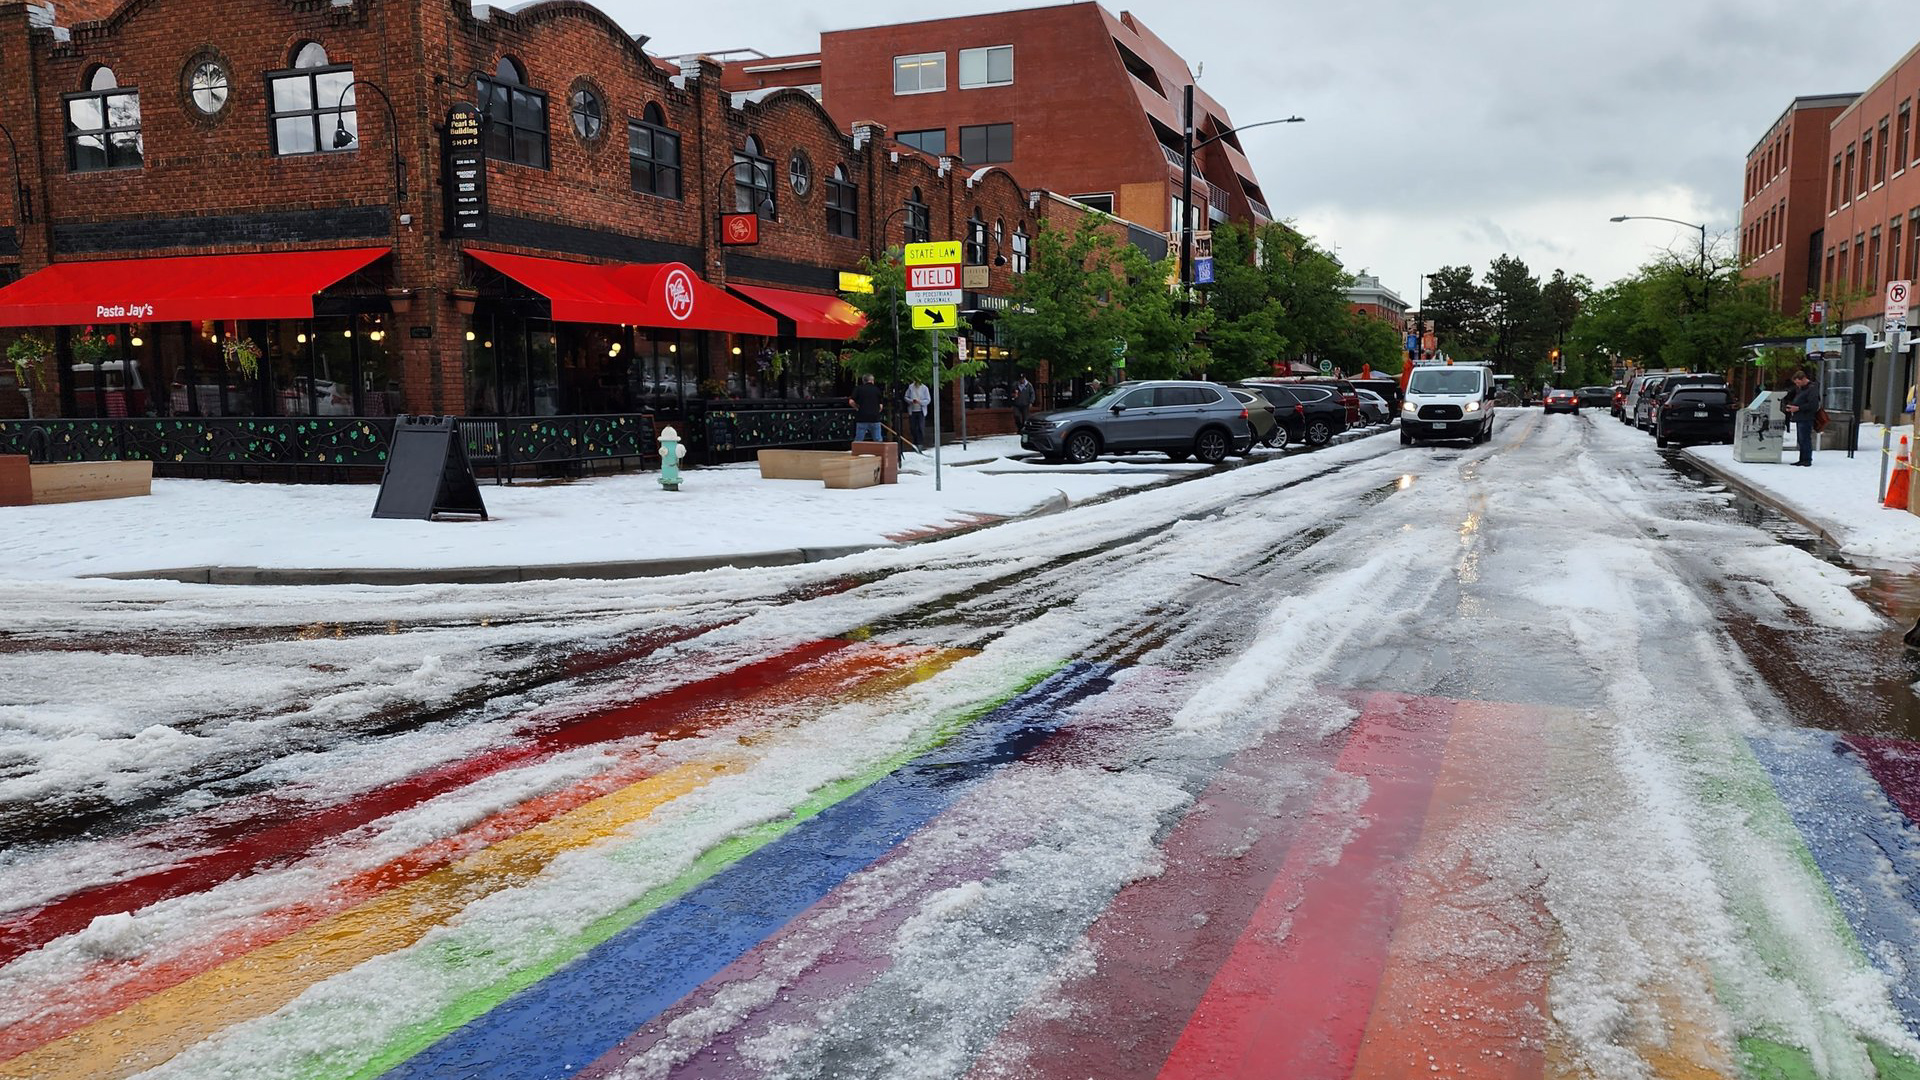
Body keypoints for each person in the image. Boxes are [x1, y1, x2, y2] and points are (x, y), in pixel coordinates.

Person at [1783, 368, 1821, 466]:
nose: (1797, 385)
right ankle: (1802, 459)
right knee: (1801, 439)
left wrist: (1798, 408)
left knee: (1805, 439)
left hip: (1806, 417)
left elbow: (1813, 405)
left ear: (1804, 379)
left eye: (1798, 382)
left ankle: (1807, 459)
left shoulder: (1812, 388)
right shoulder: (1801, 389)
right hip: (1800, 417)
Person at [849, 373, 884, 443]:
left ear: (863, 381)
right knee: (877, 439)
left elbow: (851, 401)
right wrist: (877, 411)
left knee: (859, 439)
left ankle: (857, 452)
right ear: (872, 380)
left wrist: (857, 407)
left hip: (862, 417)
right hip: (874, 418)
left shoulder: (859, 389)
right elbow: (880, 406)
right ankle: (879, 452)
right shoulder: (876, 390)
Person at [904, 378, 931, 445]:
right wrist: (911, 401)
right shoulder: (910, 387)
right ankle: (915, 441)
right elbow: (906, 397)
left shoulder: (924, 388)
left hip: (921, 411)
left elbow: (928, 400)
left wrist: (920, 402)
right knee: (913, 427)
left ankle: (920, 443)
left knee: (920, 427)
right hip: (912, 410)